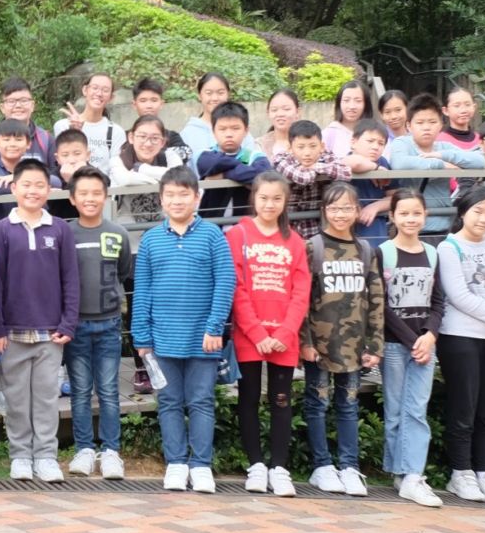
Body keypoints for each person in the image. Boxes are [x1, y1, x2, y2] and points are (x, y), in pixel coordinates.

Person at [133, 166, 236, 493]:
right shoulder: (151, 240)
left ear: (197, 198)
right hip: (162, 339)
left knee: (201, 401)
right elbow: (142, 290)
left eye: (183, 194)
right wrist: (141, 336)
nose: (177, 201)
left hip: (203, 339)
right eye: (170, 195)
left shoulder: (213, 235)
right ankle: (176, 463)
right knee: (168, 402)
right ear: (161, 199)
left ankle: (201, 465)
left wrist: (214, 327)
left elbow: (225, 282)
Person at [0, 158, 80, 482]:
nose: (33, 190)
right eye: (26, 184)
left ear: (49, 189)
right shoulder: (1, 230)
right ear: (14, 188)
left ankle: (45, 456)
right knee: (16, 399)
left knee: (45, 398)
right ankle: (20, 456)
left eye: (40, 185)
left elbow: (71, 279)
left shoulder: (60, 229)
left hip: (50, 333)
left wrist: (68, 323)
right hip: (12, 333)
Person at [227, 172, 310, 497]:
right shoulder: (238, 235)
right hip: (250, 335)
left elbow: (301, 292)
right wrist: (257, 332)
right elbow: (236, 288)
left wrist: (286, 332)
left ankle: (279, 467)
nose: (270, 204)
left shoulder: (295, 240)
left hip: (284, 338)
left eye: (277, 198)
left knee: (281, 400)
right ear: (254, 198)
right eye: (263, 198)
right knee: (248, 399)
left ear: (285, 201)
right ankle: (256, 466)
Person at [300, 181, 385, 497]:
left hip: (354, 347)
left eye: (347, 208)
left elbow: (376, 299)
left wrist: (375, 344)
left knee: (348, 405)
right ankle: (322, 466)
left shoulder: (365, 250)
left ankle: (349, 466)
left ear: (357, 210)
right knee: (317, 403)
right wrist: (305, 342)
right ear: (324, 210)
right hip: (320, 347)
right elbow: (302, 300)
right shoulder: (313, 247)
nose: (340, 214)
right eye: (334, 208)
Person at [437, 186, 485, 504]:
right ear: (463, 213)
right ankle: (461, 472)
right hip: (459, 336)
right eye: (478, 212)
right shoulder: (449, 247)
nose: (484, 219)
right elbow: (458, 295)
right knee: (464, 407)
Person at [65, 167, 133, 481]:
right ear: (72, 198)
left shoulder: (118, 233)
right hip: (76, 325)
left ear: (106, 197)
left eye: (96, 193)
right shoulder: (65, 234)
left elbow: (123, 271)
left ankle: (111, 451)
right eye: (83, 193)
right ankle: (83, 449)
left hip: (108, 324)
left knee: (108, 390)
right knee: (80, 390)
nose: (90, 198)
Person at [379, 190, 445, 507]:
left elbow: (438, 301)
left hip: (425, 346)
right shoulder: (383, 252)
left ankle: (413, 475)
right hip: (395, 345)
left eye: (416, 213)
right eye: (403, 213)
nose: (410, 219)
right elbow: (381, 306)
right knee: (394, 411)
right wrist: (412, 340)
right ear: (392, 216)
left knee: (416, 410)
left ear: (425, 215)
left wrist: (430, 335)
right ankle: (399, 471)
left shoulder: (432, 253)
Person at [385, 94, 485, 234]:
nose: (426, 127)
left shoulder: (444, 147)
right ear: (409, 125)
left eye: (432, 122)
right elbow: (399, 163)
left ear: (441, 125)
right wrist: (440, 164)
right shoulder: (402, 143)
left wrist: (442, 155)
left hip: (443, 224)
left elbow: (478, 160)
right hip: (410, 225)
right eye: (420, 123)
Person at [266, 119, 351, 239]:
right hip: (287, 224)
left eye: (313, 146)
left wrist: (316, 166)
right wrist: (321, 170)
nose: (307, 153)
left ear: (322, 146)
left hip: (317, 225)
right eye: (301, 147)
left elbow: (346, 173)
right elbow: (304, 178)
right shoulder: (281, 158)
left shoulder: (326, 156)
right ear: (290, 148)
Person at [193, 101, 268, 220]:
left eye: (235, 128)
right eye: (222, 129)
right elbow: (216, 163)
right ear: (213, 131)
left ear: (246, 131)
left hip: (245, 224)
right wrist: (245, 172)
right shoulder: (204, 155)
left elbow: (264, 174)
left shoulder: (254, 156)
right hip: (210, 225)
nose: (229, 134)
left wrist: (223, 174)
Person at [0, 118, 58, 222]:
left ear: (28, 144)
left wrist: (16, 177)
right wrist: (37, 186)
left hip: (33, 225)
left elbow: (56, 181)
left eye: (18, 139)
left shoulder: (33, 166)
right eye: (6, 140)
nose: (12, 144)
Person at [110, 115, 185, 227]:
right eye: (142, 136)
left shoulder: (170, 156)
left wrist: (141, 168)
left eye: (155, 138)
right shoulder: (118, 160)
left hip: (165, 228)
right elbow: (126, 179)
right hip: (129, 229)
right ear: (131, 137)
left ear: (163, 142)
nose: (148, 143)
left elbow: (180, 176)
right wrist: (158, 181)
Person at [0, 78, 54, 171]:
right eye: (11, 101)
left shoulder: (46, 139)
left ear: (32, 105)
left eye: (24, 100)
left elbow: (56, 174)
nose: (18, 106)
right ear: (2, 108)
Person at [179, 73, 259, 160]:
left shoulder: (240, 129)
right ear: (199, 95)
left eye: (220, 93)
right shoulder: (188, 134)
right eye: (208, 93)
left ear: (228, 94)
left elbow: (250, 161)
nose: (215, 98)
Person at [55, 72, 123, 170]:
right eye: (95, 88)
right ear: (85, 90)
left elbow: (116, 170)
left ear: (111, 97)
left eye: (105, 90)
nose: (99, 94)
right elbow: (62, 163)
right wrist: (73, 132)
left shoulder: (116, 132)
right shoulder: (63, 126)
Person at [347, 120, 393, 244]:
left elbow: (394, 196)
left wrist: (375, 207)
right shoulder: (346, 159)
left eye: (381, 143)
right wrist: (375, 168)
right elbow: (355, 163)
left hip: (374, 224)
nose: (375, 147)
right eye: (370, 141)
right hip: (346, 223)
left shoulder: (383, 162)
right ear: (353, 142)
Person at [132, 78, 192, 156]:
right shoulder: (125, 137)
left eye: (154, 100)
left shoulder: (171, 137)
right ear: (134, 105)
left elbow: (185, 154)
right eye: (143, 101)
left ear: (161, 104)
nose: (149, 106)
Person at [322, 79, 372, 160]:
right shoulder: (328, 134)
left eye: (358, 101)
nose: (352, 106)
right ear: (339, 103)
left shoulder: (374, 133)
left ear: (366, 104)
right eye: (346, 100)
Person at [48, 129, 91, 221]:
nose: (71, 160)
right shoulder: (52, 178)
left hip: (88, 222)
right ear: (57, 158)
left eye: (77, 154)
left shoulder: (93, 173)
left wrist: (73, 180)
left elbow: (106, 182)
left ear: (87, 155)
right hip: (60, 223)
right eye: (65, 155)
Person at [259, 90, 301, 161]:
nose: (280, 114)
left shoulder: (311, 141)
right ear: (268, 113)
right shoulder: (259, 145)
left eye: (286, 109)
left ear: (298, 112)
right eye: (274, 110)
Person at [439, 87, 481, 154]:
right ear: (445, 110)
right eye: (457, 106)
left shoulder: (481, 140)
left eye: (467, 105)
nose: (463, 110)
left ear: (474, 107)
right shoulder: (439, 142)